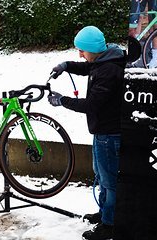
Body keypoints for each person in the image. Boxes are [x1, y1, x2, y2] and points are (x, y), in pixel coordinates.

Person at [48, 26, 126, 240]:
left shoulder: (109, 71)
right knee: (101, 175)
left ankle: (109, 225)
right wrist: (66, 66)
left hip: (110, 136)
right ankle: (104, 214)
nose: (80, 55)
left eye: (82, 50)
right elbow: (87, 68)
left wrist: (62, 101)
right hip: (102, 133)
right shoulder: (105, 60)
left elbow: (91, 105)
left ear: (92, 48)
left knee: (109, 182)